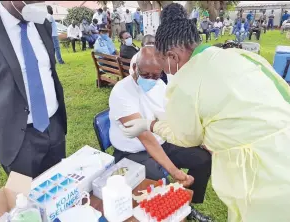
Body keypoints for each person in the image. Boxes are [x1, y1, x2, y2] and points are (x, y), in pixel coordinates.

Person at [121, 3, 290, 222]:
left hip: (263, 172)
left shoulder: (187, 81)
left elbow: (186, 136)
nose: (163, 72)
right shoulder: (238, 55)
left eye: (162, 64)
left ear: (172, 56)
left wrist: (150, 124)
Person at [110, 46, 212, 222]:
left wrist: (198, 139)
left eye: (155, 75)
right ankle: (166, 210)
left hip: (161, 140)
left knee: (202, 158)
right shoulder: (121, 93)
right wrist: (174, 171)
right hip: (133, 152)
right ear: (134, 68)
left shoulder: (158, 84)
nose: (150, 79)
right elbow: (146, 139)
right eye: (145, 74)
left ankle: (188, 204)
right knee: (158, 182)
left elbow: (169, 116)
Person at [0, 1, 67, 178]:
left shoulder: (41, 21)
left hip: (54, 126)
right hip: (17, 139)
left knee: (60, 190)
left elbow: (48, 70)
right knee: (27, 201)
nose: (38, 4)